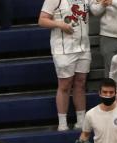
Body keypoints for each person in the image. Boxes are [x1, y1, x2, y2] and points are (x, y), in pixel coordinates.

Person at [40, 0, 93, 131]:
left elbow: (95, 10)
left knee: (80, 83)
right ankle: (62, 123)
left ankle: (81, 121)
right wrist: (59, 24)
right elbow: (42, 20)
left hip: (83, 46)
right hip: (63, 49)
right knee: (65, 85)